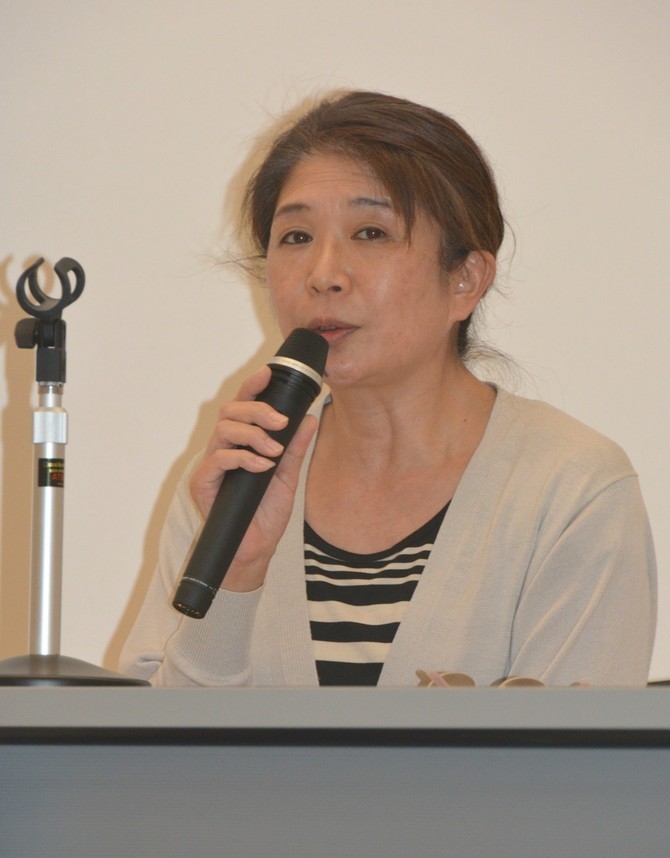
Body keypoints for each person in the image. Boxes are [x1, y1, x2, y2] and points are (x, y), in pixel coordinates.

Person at [120, 90, 656, 688]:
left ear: (465, 278)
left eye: (371, 232)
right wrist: (238, 575)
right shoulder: (238, 477)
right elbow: (151, 740)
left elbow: (575, 747)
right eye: (295, 237)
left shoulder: (572, 489)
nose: (323, 275)